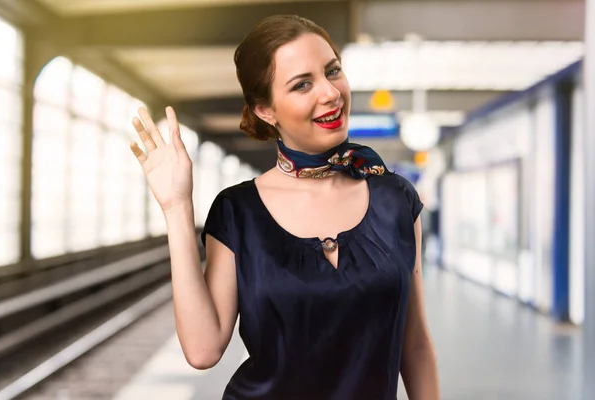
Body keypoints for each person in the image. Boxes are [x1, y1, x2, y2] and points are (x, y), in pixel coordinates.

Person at [129, 14, 439, 400]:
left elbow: (415, 344)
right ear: (265, 110)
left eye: (333, 71)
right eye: (302, 84)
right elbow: (203, 349)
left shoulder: (396, 199)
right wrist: (176, 207)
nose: (330, 93)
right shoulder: (237, 212)